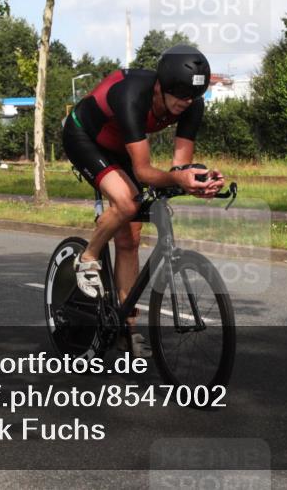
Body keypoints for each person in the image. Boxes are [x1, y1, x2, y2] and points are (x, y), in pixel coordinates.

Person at [62, 45, 224, 356]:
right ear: (160, 86)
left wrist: (199, 182)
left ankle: (126, 329)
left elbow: (179, 169)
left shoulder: (191, 104)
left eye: (193, 96)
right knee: (127, 204)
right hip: (84, 137)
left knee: (130, 238)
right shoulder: (132, 95)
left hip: (120, 145)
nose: (185, 102)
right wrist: (179, 179)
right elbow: (143, 171)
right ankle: (87, 257)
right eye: (179, 94)